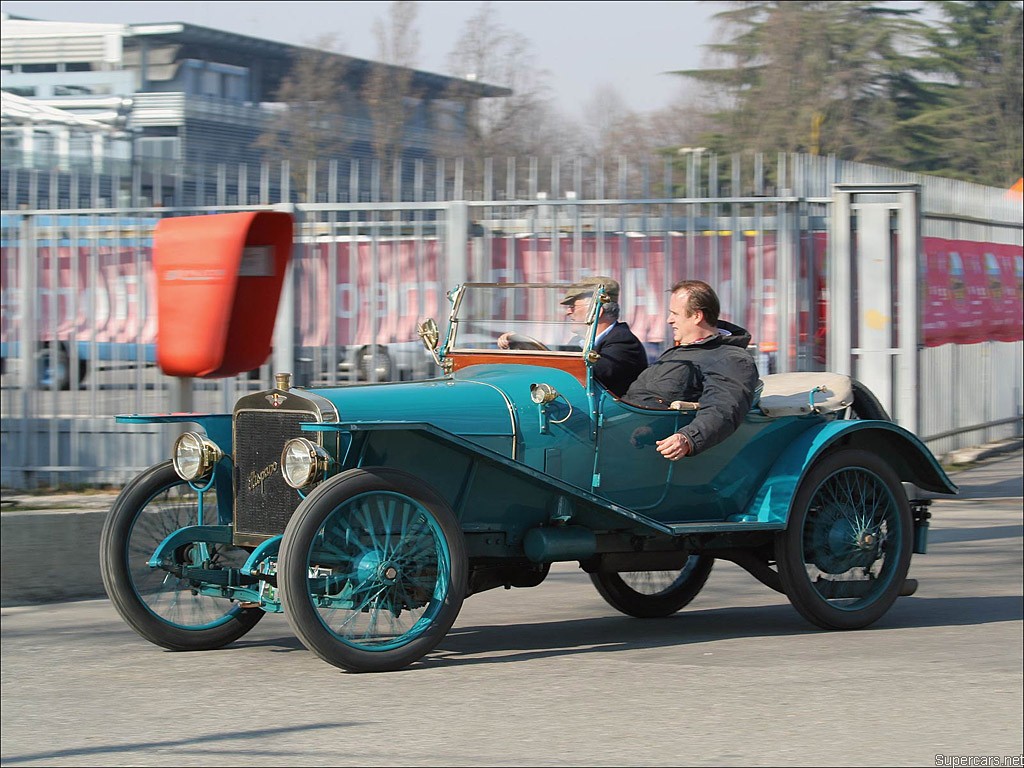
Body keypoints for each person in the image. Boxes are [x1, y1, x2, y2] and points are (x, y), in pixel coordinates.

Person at [623, 279, 760, 461]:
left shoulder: (730, 358)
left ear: (697, 316)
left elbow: (724, 407)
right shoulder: (680, 352)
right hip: (625, 432)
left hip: (652, 448)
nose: (669, 320)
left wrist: (688, 438)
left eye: (674, 314)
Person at [497, 276, 648, 397]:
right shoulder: (580, 342)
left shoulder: (623, 343)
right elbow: (560, 359)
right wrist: (521, 345)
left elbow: (583, 373)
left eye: (573, 307)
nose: (568, 312)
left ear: (596, 311)